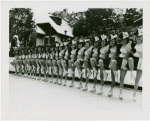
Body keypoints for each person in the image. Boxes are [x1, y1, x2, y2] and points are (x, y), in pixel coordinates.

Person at [117, 32, 135, 100]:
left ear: (127, 38)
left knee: (129, 59)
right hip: (122, 62)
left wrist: (130, 52)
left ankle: (132, 76)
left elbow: (134, 54)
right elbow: (118, 54)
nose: (123, 40)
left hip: (128, 62)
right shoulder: (119, 45)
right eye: (122, 39)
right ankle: (120, 93)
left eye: (125, 39)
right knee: (121, 78)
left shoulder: (131, 44)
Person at [128, 28, 143, 101]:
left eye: (140, 37)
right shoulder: (134, 45)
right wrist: (132, 53)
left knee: (137, 79)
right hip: (135, 60)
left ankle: (134, 94)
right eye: (137, 37)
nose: (138, 38)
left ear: (142, 38)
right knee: (130, 59)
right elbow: (133, 53)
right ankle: (131, 75)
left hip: (142, 61)